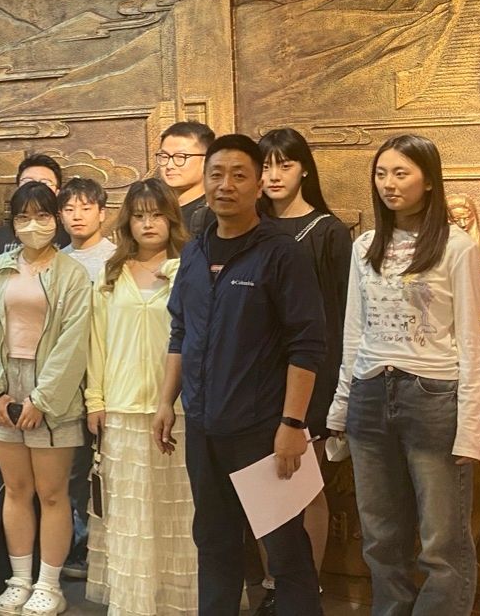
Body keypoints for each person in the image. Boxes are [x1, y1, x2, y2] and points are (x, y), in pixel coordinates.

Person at [153, 133, 326, 615]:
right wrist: (166, 401)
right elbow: (181, 330)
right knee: (214, 542)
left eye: (239, 175)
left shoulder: (281, 253)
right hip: (203, 426)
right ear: (205, 181)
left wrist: (292, 425)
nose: (225, 185)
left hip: (262, 431)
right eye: (217, 174)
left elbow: (307, 345)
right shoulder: (194, 251)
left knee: (285, 548)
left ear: (257, 185)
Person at [326, 134, 480, 615]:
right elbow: (354, 332)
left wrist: (469, 427)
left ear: (429, 180)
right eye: (381, 174)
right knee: (380, 537)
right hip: (370, 392)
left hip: (431, 396)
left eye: (401, 173)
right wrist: (340, 406)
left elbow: (470, 341)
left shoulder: (457, 246)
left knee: (442, 543)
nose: (389, 184)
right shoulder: (365, 246)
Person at [0, 181, 92, 616]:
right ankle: (19, 579)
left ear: (55, 219)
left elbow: (75, 342)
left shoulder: (72, 273)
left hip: (53, 390)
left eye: (41, 216)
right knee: (16, 489)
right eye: (23, 217)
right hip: (3, 384)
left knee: (52, 493)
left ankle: (49, 585)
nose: (32, 225)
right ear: (13, 223)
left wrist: (43, 399)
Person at [85, 178, 197, 614]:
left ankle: (177, 604)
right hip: (123, 407)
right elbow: (97, 341)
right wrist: (96, 400)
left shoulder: (189, 268)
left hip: (179, 409)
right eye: (139, 215)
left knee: (178, 512)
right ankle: (134, 604)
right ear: (127, 222)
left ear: (172, 219)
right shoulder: (111, 274)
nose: (148, 223)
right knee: (131, 514)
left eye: (157, 215)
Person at [255, 127, 353, 610]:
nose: (274, 175)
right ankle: (273, 586)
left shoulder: (328, 232)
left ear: (304, 170)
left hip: (311, 376)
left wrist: (332, 392)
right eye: (266, 165)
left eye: (285, 164)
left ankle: (304, 591)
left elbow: (341, 315)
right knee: (263, 486)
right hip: (257, 380)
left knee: (305, 485)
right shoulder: (250, 228)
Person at [56, 174, 116, 580]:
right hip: (66, 382)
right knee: (74, 471)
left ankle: (110, 551)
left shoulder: (115, 259)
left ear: (102, 213)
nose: (77, 215)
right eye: (69, 208)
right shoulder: (57, 259)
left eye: (86, 207)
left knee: (107, 469)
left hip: (106, 379)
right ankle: (79, 546)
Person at [0, 154, 70, 292]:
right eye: (28, 182)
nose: (35, 188)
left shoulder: (70, 235)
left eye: (44, 183)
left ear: (57, 192)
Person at [157, 121, 217, 236]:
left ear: (207, 160)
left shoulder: (215, 214)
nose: (169, 165)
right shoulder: (153, 208)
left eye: (180, 157)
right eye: (164, 156)